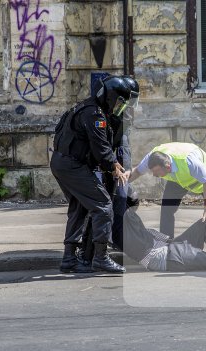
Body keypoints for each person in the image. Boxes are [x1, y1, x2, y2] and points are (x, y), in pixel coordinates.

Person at [50, 75, 137, 274]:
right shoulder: (95, 115)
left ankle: (69, 259)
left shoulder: (87, 108)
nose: (119, 106)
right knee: (103, 205)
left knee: (79, 207)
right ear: (110, 97)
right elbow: (101, 148)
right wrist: (114, 165)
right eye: (119, 101)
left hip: (63, 163)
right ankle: (101, 257)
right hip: (72, 166)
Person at [121, 142, 206, 270]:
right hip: (180, 179)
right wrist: (123, 182)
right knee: (166, 209)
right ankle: (168, 245)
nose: (154, 175)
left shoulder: (189, 162)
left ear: (167, 166)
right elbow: (137, 172)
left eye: (156, 172)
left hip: (205, 177)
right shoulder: (153, 157)